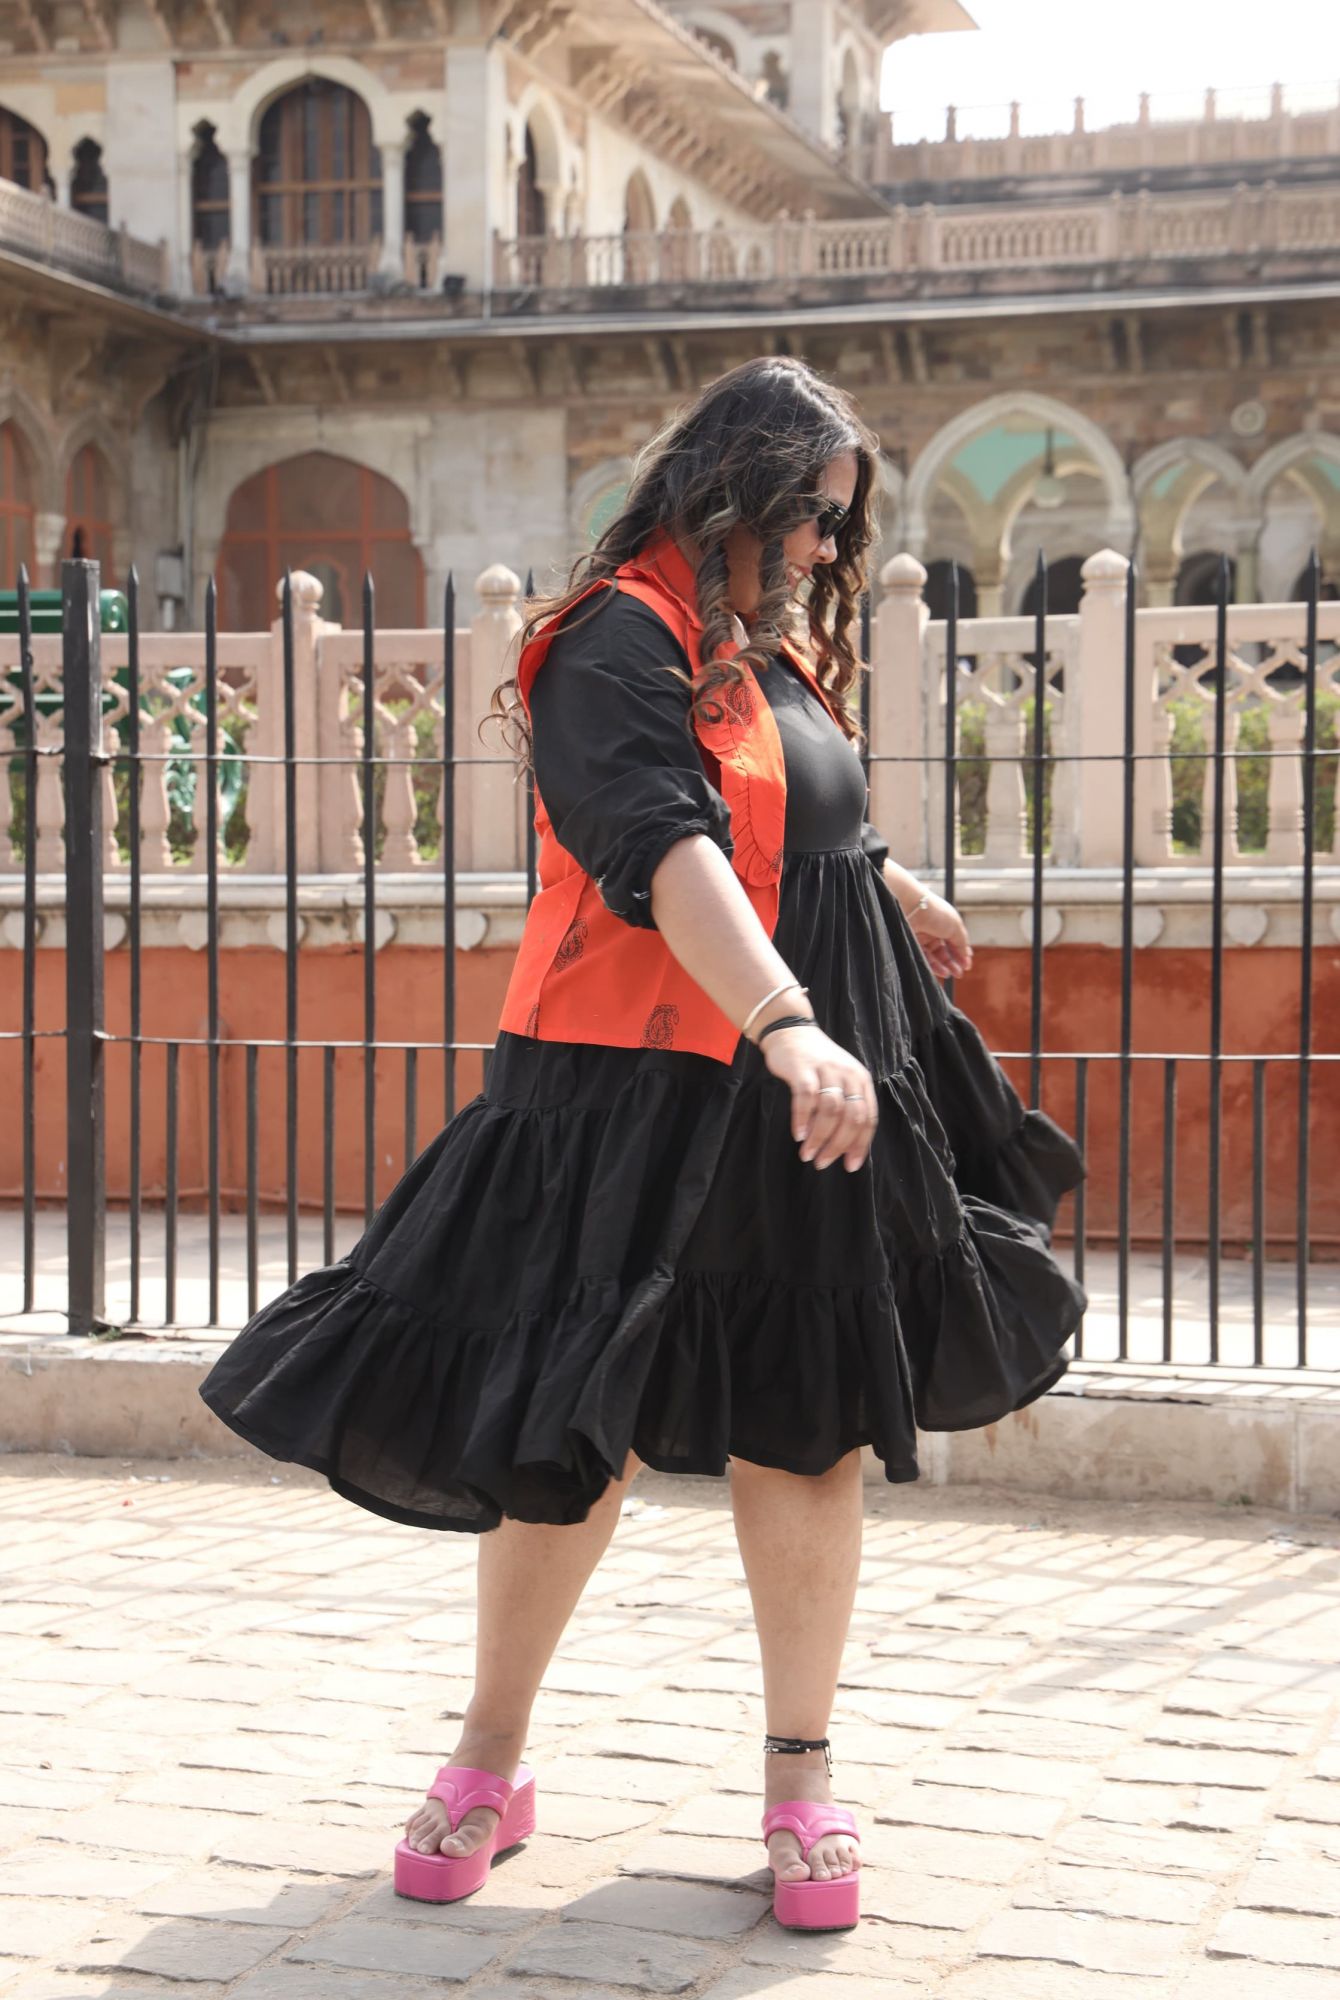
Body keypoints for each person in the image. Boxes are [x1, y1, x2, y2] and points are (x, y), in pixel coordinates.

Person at [199, 355, 1085, 1933]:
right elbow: (665, 848)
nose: (829, 547)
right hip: (636, 1081)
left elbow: (794, 827)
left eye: (841, 522)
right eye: (815, 515)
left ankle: (803, 1777)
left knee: (804, 1421)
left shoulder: (758, 656)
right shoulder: (615, 640)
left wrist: (888, 889)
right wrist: (788, 1019)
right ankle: (492, 1757)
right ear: (732, 492)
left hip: (801, 1076)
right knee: (567, 1420)